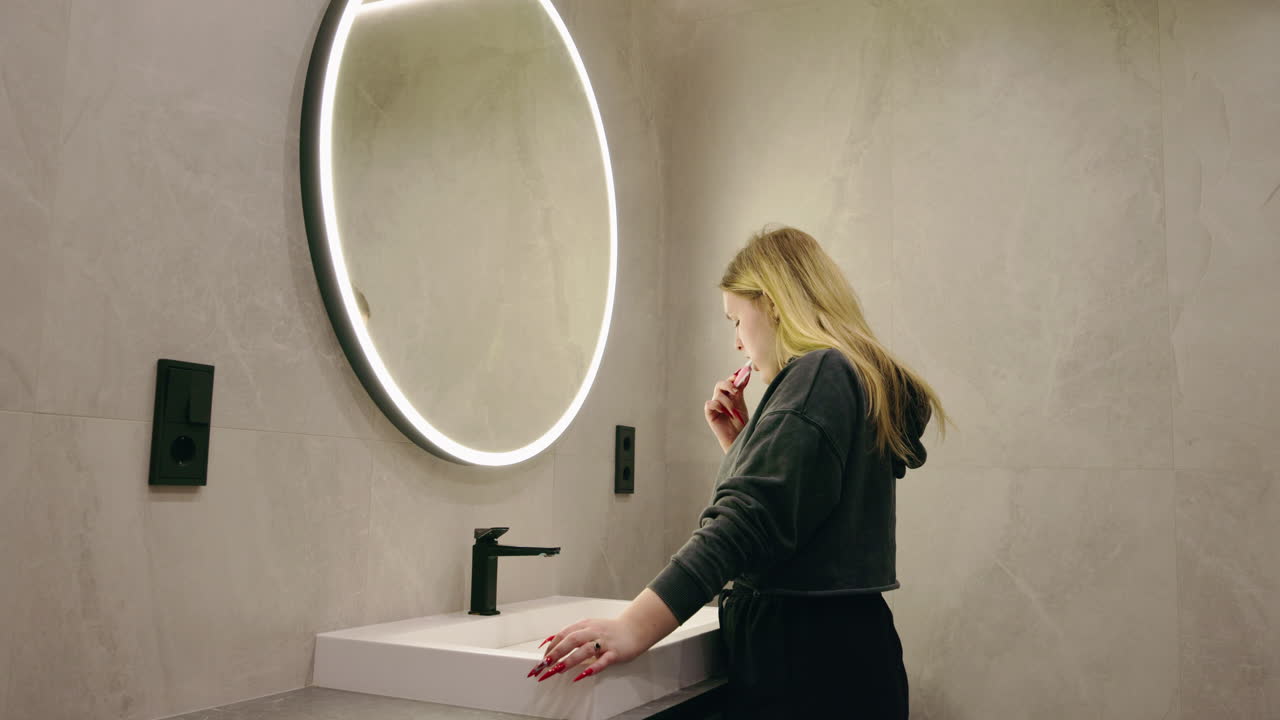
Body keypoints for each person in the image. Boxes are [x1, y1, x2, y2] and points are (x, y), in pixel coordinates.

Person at [527, 225, 948, 718]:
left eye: (735, 320)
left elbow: (742, 524)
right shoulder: (850, 378)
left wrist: (632, 626)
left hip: (808, 670)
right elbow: (803, 517)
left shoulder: (818, 373)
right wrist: (743, 444)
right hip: (845, 657)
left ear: (770, 303)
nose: (737, 342)